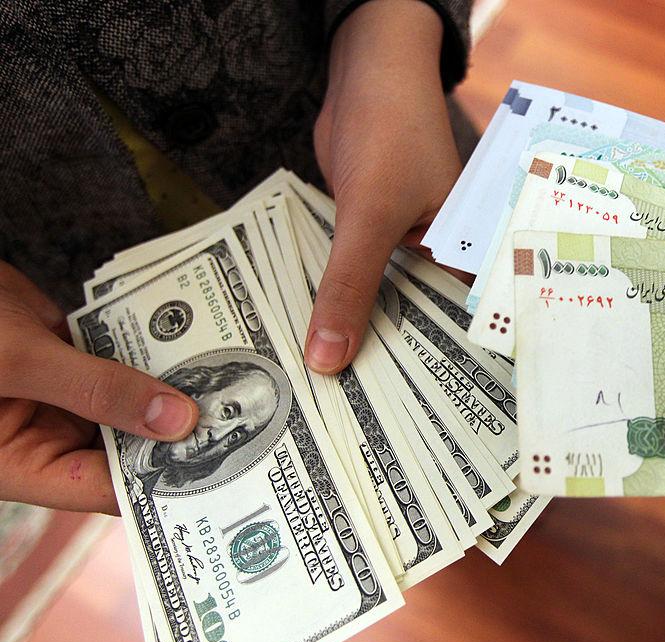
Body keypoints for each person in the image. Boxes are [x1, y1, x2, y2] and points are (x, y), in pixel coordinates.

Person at [0, 0, 470, 514]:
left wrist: (390, 40)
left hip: (380, 136)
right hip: (53, 278)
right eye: (238, 415)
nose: (224, 429)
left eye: (228, 409)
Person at [124, 360, 280, 494]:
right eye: (227, 412)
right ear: (201, 389)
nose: (218, 437)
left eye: (236, 436)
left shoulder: (145, 491)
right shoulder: (126, 413)